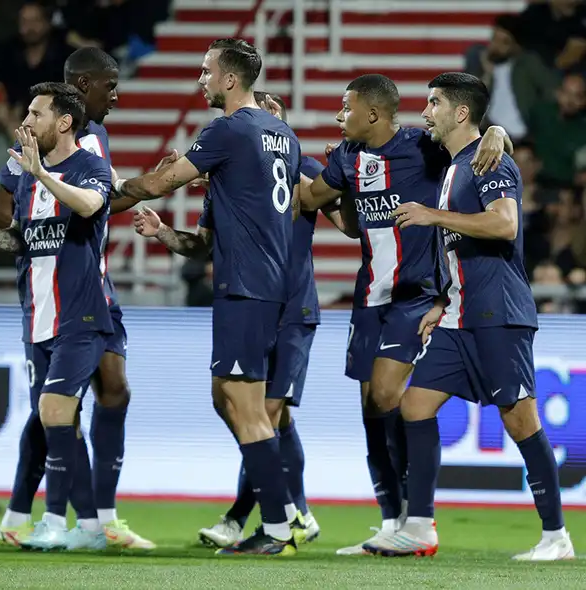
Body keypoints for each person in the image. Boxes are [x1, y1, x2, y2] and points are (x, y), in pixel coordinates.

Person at [362, 72, 575, 561]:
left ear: (460, 112)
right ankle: (418, 527)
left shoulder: (488, 158)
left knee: (521, 421)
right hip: (459, 316)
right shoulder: (457, 163)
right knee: (414, 406)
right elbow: (458, 248)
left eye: (433, 103)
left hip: (498, 313)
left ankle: (555, 537)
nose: (425, 112)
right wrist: (441, 301)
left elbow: (504, 224)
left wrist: (434, 215)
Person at [299, 73, 510, 555]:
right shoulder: (348, 158)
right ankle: (392, 520)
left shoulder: (421, 147)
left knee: (393, 394)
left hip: (414, 295)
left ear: (372, 113)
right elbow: (320, 204)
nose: (338, 116)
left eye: (345, 107)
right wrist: (285, 162)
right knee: (372, 406)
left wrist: (497, 131)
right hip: (368, 298)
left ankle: (420, 519)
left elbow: (471, 143)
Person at [117, 38, 302, 556]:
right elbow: (229, 217)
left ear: (229, 80)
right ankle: (283, 511)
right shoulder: (282, 135)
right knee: (227, 396)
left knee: (245, 407)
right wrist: (167, 233)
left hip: (248, 284)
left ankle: (279, 527)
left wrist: (107, 191)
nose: (200, 80)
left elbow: (161, 183)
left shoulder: (228, 128)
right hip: (261, 281)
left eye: (205, 71)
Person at [0, 47, 153, 550]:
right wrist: (22, 230)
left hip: (83, 292)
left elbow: (94, 198)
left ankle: (84, 519)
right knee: (56, 408)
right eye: (109, 84)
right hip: (46, 298)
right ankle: (63, 518)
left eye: (34, 112)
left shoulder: (87, 148)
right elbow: (4, 213)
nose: (116, 94)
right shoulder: (41, 149)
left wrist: (132, 190)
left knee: (93, 396)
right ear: (82, 87)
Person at [0, 82, 113, 551]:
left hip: (80, 318)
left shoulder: (89, 167)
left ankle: (52, 521)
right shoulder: (25, 175)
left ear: (63, 122)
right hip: (36, 319)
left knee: (53, 411)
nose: (25, 121)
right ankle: (89, 528)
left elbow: (90, 205)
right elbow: (23, 240)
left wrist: (41, 173)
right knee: (59, 421)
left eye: (35, 114)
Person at [192, 91, 352, 549]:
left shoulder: (305, 169)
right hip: (262, 300)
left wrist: (350, 175)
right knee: (267, 418)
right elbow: (202, 241)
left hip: (295, 305)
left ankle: (248, 517)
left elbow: (349, 224)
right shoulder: (234, 180)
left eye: (270, 113)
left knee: (263, 413)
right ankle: (295, 510)